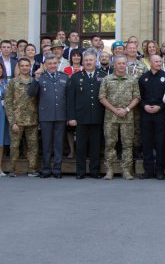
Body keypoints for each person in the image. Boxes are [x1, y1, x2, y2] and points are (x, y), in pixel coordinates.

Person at [99, 55, 140, 180]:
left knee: (127, 144)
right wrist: (114, 110)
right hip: (111, 117)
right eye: (119, 63)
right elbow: (101, 97)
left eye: (123, 63)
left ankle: (126, 170)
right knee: (110, 143)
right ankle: (110, 170)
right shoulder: (107, 79)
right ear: (114, 65)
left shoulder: (132, 80)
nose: (121, 65)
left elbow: (137, 97)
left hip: (127, 116)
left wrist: (126, 109)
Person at [28, 54, 69, 178]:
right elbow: (31, 93)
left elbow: (68, 97)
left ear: (57, 64)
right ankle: (46, 168)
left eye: (54, 63)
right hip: (46, 115)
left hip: (61, 115)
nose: (52, 65)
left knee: (58, 143)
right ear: (45, 65)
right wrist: (35, 78)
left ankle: (57, 168)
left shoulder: (64, 77)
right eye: (50, 63)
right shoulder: (41, 77)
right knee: (46, 143)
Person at [67, 49, 105, 179]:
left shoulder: (103, 75)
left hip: (97, 116)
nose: (88, 62)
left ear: (96, 61)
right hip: (81, 117)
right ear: (83, 62)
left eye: (91, 60)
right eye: (86, 60)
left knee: (96, 146)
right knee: (81, 146)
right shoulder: (76, 77)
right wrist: (71, 117)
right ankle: (80, 171)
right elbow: (70, 99)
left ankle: (95, 171)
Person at [5, 58, 39, 177]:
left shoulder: (35, 81)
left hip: (32, 120)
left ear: (30, 67)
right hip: (17, 121)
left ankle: (32, 169)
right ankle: (12, 169)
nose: (25, 68)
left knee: (33, 147)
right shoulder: (12, 82)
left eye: (27, 65)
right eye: (22, 66)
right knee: (14, 146)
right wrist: (12, 121)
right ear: (19, 67)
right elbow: (8, 103)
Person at [138, 55, 165, 179]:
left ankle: (160, 171)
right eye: (156, 61)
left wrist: (160, 107)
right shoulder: (143, 78)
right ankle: (148, 171)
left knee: (161, 142)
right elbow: (138, 96)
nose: (159, 63)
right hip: (146, 114)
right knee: (146, 142)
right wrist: (144, 106)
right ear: (150, 63)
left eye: (160, 61)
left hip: (161, 114)